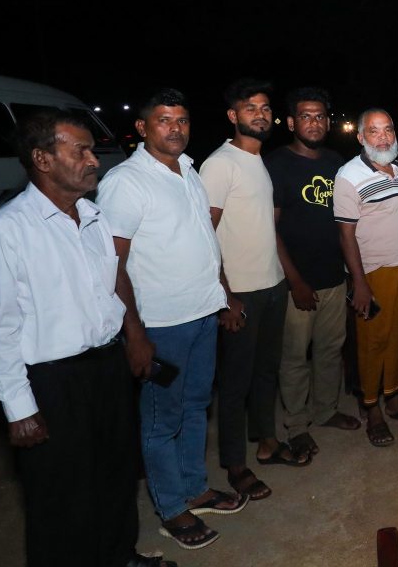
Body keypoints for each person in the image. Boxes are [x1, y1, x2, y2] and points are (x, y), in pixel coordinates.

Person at [0, 110, 177, 567]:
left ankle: (118, 555)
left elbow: (111, 289)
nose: (94, 160)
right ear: (42, 159)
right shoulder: (4, 230)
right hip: (52, 381)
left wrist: (133, 338)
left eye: (92, 150)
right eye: (81, 151)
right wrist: (18, 407)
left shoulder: (92, 217)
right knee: (60, 493)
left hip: (106, 368)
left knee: (115, 474)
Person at [98, 89, 246, 550]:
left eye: (182, 120)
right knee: (162, 419)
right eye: (164, 120)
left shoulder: (189, 170)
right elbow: (112, 263)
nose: (175, 128)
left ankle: (194, 488)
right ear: (142, 128)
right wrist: (134, 333)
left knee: (196, 405)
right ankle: (171, 507)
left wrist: (223, 294)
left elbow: (205, 240)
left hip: (201, 313)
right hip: (161, 325)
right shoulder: (126, 182)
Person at [200, 78, 308, 504]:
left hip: (271, 285)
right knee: (235, 384)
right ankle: (235, 465)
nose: (260, 114)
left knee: (266, 372)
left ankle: (267, 443)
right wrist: (225, 295)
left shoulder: (256, 160)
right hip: (240, 293)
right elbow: (205, 234)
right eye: (250, 108)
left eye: (265, 108)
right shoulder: (220, 164)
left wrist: (286, 278)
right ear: (233, 116)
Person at [265, 86, 360, 461]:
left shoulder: (336, 161)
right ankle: (296, 425)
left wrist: (350, 272)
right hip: (296, 283)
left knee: (330, 350)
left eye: (320, 116)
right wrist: (295, 281)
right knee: (293, 357)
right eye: (305, 116)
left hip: (333, 276)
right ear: (291, 122)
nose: (314, 123)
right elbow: (269, 228)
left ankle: (325, 410)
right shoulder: (276, 164)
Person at [336, 109, 398, 446]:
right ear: (361, 137)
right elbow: (345, 235)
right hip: (371, 274)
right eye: (374, 131)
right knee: (372, 345)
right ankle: (372, 410)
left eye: (388, 129)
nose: (383, 137)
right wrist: (359, 283)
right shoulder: (349, 175)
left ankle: (395, 401)